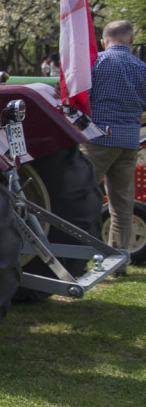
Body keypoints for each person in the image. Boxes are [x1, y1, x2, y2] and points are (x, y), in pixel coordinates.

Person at [81, 20, 146, 272]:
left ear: (103, 42)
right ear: (131, 39)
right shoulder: (142, 67)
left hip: (99, 139)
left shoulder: (96, 63)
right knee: (122, 205)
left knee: (83, 198)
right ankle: (118, 262)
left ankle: (77, 256)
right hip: (129, 142)